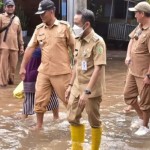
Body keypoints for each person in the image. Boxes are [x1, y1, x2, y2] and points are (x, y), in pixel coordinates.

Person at [19, 0, 74, 130]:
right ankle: (39, 125)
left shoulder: (64, 27)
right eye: (40, 14)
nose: (41, 16)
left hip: (61, 71)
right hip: (44, 71)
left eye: (43, 13)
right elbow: (30, 48)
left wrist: (77, 66)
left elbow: (75, 47)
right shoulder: (39, 29)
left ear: (51, 11)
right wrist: (22, 67)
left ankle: (75, 123)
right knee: (40, 99)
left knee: (69, 100)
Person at [65, 9, 106, 150]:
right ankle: (77, 148)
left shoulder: (98, 42)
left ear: (86, 24)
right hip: (77, 85)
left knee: (94, 120)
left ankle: (95, 148)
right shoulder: (78, 40)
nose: (73, 27)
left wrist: (87, 92)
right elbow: (76, 64)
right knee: (72, 117)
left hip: (92, 88)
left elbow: (98, 68)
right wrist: (70, 85)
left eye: (76, 23)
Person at [124, 1, 150, 136]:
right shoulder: (139, 27)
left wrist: (149, 76)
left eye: (136, 13)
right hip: (132, 70)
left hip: (144, 73)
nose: (135, 16)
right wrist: (128, 55)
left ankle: (145, 126)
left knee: (145, 102)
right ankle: (142, 117)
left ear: (142, 14)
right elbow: (131, 41)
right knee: (128, 96)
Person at [22, 47, 59, 120]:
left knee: (28, 100)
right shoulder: (45, 49)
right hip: (41, 74)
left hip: (28, 76)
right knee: (52, 96)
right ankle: (56, 117)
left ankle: (23, 118)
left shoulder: (29, 48)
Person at [0, 0, 24, 87]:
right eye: (8, 6)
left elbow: (19, 33)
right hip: (3, 46)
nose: (10, 8)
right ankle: (3, 83)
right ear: (5, 7)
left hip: (14, 47)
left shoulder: (17, 19)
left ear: (14, 7)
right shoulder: (1, 17)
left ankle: (10, 81)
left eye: (11, 6)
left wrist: (21, 46)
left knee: (13, 67)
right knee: (3, 67)